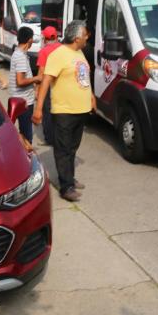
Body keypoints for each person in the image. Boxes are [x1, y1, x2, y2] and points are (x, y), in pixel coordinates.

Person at [32, 20, 95, 202]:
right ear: (76, 38)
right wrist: (39, 108)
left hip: (80, 109)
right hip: (64, 111)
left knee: (72, 147)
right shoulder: (58, 55)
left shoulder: (79, 53)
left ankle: (70, 178)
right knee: (63, 149)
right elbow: (45, 81)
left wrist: (91, 97)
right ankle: (65, 186)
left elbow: (83, 77)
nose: (86, 38)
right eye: (85, 35)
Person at [9, 27, 41, 150]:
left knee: (23, 132)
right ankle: (27, 162)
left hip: (18, 98)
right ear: (29, 40)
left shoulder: (18, 54)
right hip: (24, 101)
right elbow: (20, 81)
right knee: (27, 136)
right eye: (32, 39)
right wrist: (36, 79)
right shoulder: (21, 56)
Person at [35, 26, 63, 145]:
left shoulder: (44, 52)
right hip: (62, 85)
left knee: (48, 112)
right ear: (56, 37)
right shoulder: (63, 49)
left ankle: (50, 138)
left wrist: (37, 89)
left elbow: (41, 72)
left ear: (45, 39)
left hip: (49, 86)